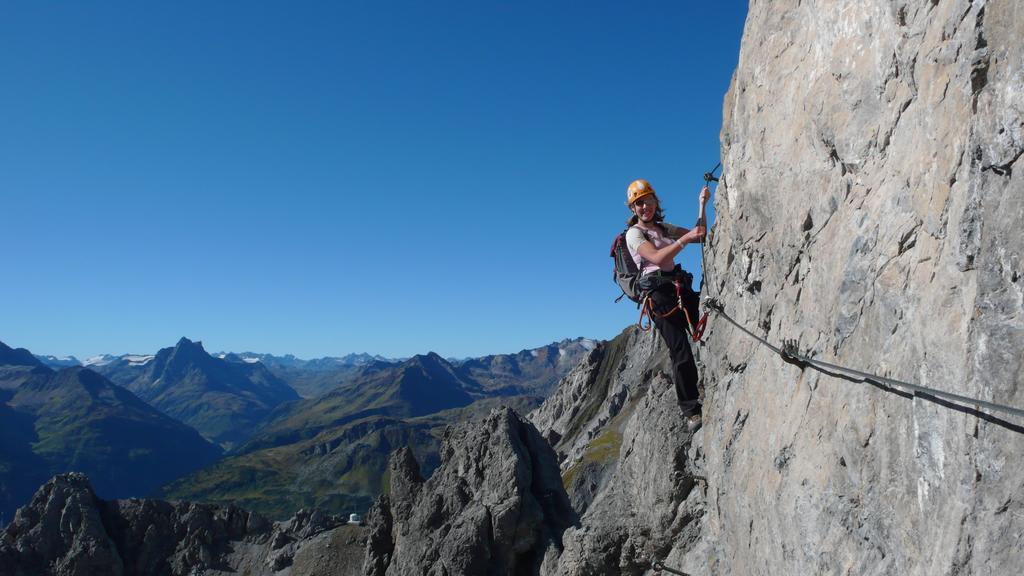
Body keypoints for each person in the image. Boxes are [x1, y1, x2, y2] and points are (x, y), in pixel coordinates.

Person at [624, 178, 710, 430]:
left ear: (654, 201)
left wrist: (702, 205)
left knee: (706, 328)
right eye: (638, 204)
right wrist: (682, 241)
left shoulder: (663, 228)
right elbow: (658, 257)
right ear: (633, 209)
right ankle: (691, 409)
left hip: (678, 287)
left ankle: (707, 381)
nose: (643, 207)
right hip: (659, 296)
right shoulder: (634, 234)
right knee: (680, 350)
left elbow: (700, 235)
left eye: (646, 201)